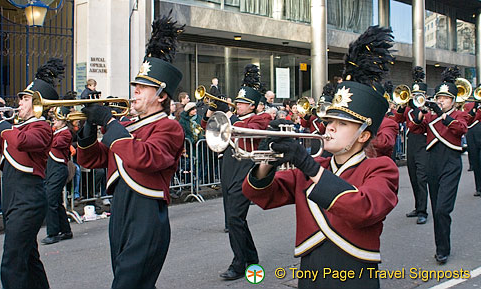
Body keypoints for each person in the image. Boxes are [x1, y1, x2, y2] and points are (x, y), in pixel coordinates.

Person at [242, 26, 398, 289]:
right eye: (329, 121)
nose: (331, 127)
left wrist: (308, 166)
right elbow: (264, 196)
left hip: (354, 274)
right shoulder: (319, 165)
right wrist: (267, 159)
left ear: (363, 135)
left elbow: (365, 209)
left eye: (342, 124)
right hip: (310, 272)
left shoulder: (381, 168)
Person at [77, 14, 185, 289]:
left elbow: (145, 157)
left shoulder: (169, 128)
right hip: (121, 210)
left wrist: (109, 122)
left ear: (161, 95)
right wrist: (88, 131)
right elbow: (94, 159)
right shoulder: (127, 125)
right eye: (134, 87)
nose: (134, 92)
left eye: (142, 88)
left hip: (147, 214)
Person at [0, 58, 65, 289]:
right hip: (14, 199)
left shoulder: (41, 128)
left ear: (37, 104)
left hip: (27, 200)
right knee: (28, 259)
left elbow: (22, 142)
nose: (19, 102)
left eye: (25, 99)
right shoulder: (19, 127)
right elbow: (0, 143)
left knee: (12, 263)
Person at [201, 64, 272, 281]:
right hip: (228, 167)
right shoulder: (231, 118)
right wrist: (213, 109)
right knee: (235, 219)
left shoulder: (259, 118)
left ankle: (239, 263)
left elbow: (255, 127)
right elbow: (206, 126)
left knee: (234, 217)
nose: (237, 105)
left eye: (242, 103)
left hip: (245, 168)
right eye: (237, 102)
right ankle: (251, 257)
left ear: (251, 105)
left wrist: (232, 118)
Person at [408, 66, 468, 265]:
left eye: (444, 98)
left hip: (451, 164)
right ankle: (440, 247)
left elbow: (460, 129)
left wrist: (442, 116)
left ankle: (444, 249)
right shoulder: (432, 115)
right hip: (432, 162)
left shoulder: (458, 115)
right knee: (435, 208)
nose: (440, 101)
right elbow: (414, 126)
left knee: (443, 209)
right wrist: (418, 109)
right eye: (439, 97)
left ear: (453, 100)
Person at [393, 66, 430, 225]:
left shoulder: (427, 109)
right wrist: (401, 106)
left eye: (419, 95)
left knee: (422, 178)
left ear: (425, 96)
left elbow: (418, 124)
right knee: (413, 177)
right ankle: (417, 207)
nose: (415, 97)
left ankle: (423, 211)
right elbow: (397, 120)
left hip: (423, 142)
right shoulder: (408, 108)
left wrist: (419, 108)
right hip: (412, 144)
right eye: (414, 95)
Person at [41, 113, 74, 245]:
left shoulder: (65, 133)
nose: (54, 121)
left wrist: (46, 131)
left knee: (50, 201)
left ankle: (53, 233)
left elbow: (53, 144)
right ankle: (66, 231)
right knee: (57, 201)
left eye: (57, 119)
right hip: (52, 170)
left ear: (64, 122)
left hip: (59, 170)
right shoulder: (56, 132)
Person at [462, 70, 481, 198]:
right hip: (472, 135)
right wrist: (476, 107)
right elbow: (467, 120)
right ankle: (478, 187)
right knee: (475, 161)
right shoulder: (469, 105)